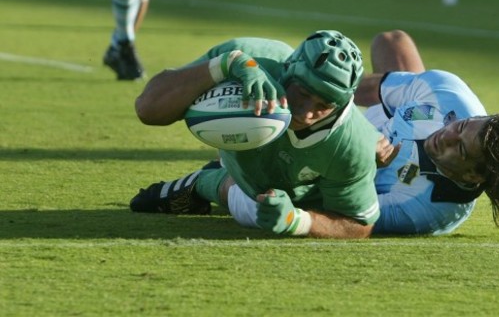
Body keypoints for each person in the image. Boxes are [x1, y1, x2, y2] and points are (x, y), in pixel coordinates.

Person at [222, 30, 499, 235]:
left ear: (473, 176)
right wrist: (323, 103)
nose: (447, 135)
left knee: (243, 195)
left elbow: (340, 213)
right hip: (371, 119)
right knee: (392, 41)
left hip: (334, 170)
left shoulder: (426, 210)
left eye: (459, 150)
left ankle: (200, 185)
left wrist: (358, 152)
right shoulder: (449, 96)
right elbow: (366, 91)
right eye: (460, 126)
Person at [129, 30, 381, 238]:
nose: (306, 114)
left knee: (256, 211)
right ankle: (217, 178)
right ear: (289, 69)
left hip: (295, 199)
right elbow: (147, 108)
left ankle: (206, 183)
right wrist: (223, 66)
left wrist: (299, 221)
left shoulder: (352, 144)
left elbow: (360, 223)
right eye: (302, 94)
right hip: (245, 163)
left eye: (323, 106)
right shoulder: (249, 56)